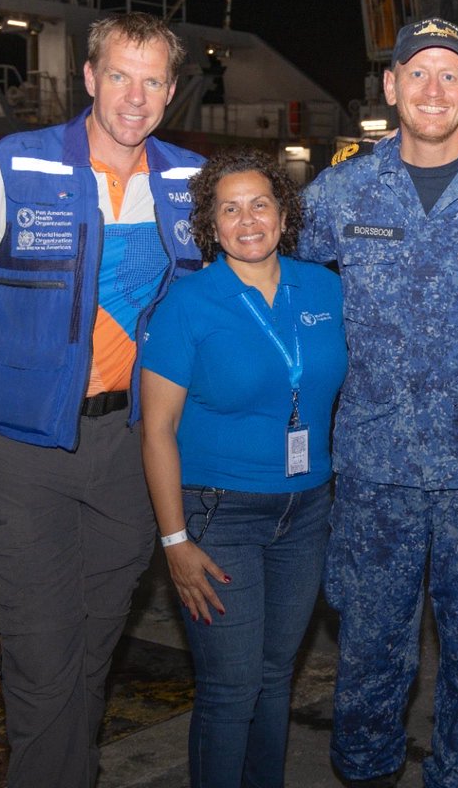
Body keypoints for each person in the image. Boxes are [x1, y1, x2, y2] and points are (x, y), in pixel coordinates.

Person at [0, 12, 205, 787]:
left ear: (172, 91)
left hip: (134, 453)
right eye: (120, 75)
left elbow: (228, 304)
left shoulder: (190, 182)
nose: (135, 97)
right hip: (26, 451)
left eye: (153, 81)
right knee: (44, 660)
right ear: (89, 78)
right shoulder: (15, 165)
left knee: (89, 654)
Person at [299, 16, 458, 788]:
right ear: (390, 86)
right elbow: (291, 297)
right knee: (372, 650)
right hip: (376, 468)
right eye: (418, 72)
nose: (433, 89)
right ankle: (367, 772)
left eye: (450, 74)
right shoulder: (338, 192)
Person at [140, 150, 347, 788]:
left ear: (285, 215)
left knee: (275, 677)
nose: (247, 219)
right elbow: (156, 431)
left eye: (260, 203)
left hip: (308, 509)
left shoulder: (324, 286)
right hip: (218, 513)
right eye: (229, 208)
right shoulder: (188, 303)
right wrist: (175, 541)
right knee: (231, 689)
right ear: (211, 224)